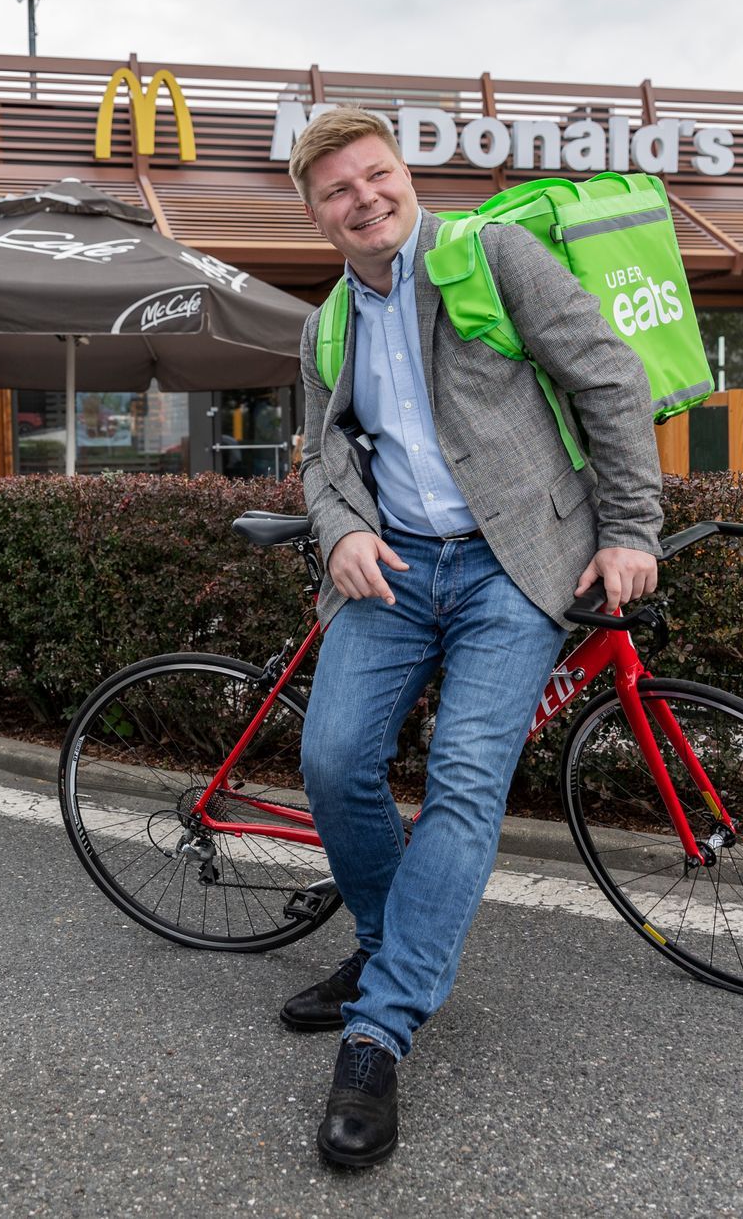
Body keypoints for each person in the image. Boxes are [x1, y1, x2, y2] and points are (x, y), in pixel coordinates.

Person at [287, 107, 664, 1167]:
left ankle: (379, 1030)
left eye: (376, 176)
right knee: (331, 760)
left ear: (404, 176)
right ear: (317, 216)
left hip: (515, 563)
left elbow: (608, 378)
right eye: (338, 191)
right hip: (396, 568)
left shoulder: (491, 256)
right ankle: (383, 946)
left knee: (461, 777)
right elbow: (320, 459)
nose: (364, 199)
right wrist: (344, 532)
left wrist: (632, 529)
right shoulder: (323, 326)